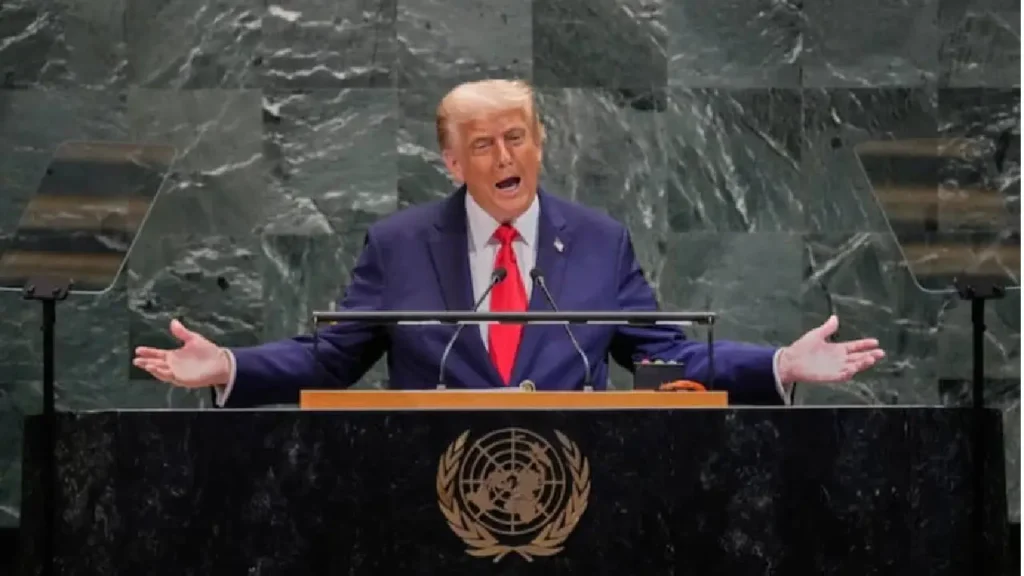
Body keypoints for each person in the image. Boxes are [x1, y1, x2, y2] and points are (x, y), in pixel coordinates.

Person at [133, 79, 885, 407]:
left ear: (540, 144)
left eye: (517, 139)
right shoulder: (399, 245)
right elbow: (331, 358)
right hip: (421, 490)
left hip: (575, 491)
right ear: (452, 163)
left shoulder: (598, 241)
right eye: (484, 145)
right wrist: (228, 366)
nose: (505, 159)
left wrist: (781, 364)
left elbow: (667, 359)